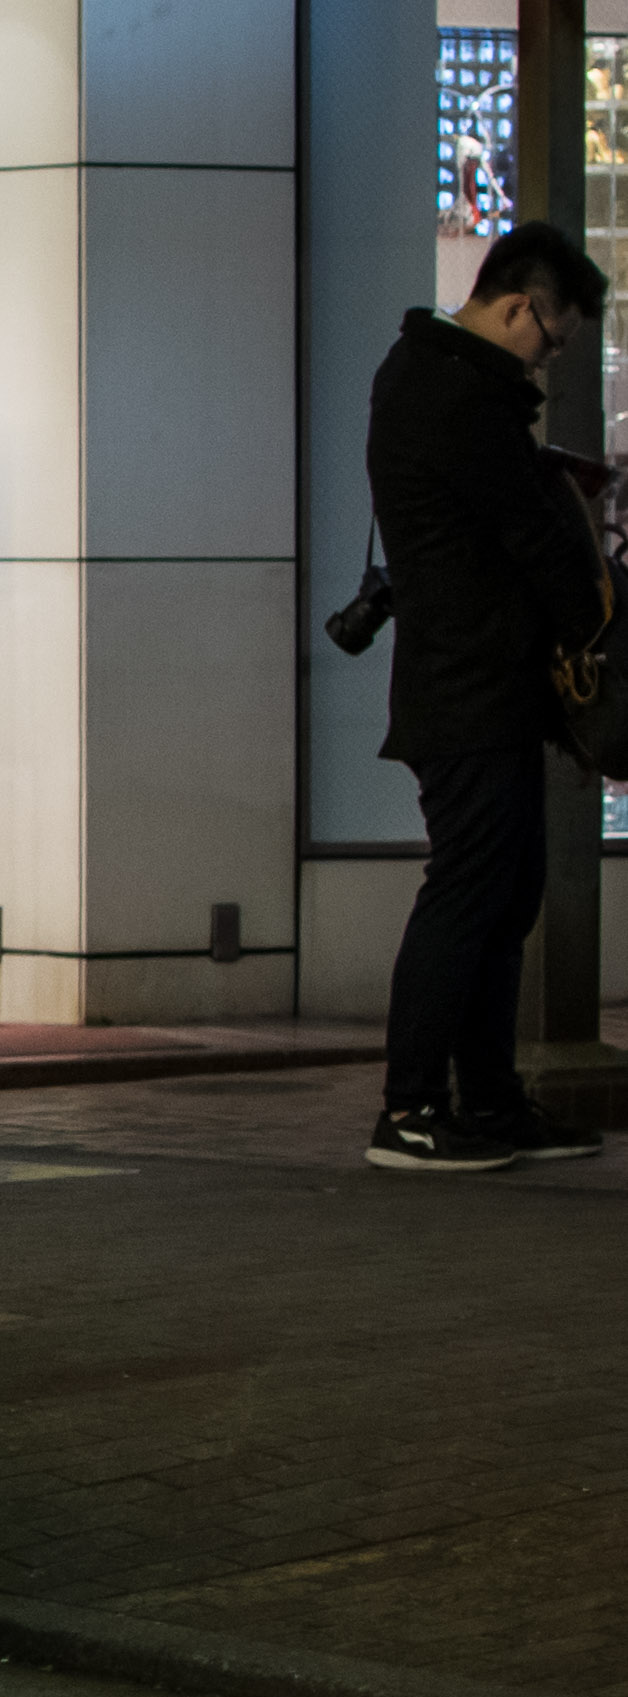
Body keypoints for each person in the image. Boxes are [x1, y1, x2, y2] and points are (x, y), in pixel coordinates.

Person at [362, 220, 613, 1171]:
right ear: (517, 307)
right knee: (471, 890)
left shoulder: (424, 374)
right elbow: (527, 536)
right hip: (466, 686)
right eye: (550, 340)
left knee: (504, 891)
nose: (547, 362)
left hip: (476, 684)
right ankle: (414, 1107)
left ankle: (490, 1099)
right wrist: (593, 613)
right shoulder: (456, 391)